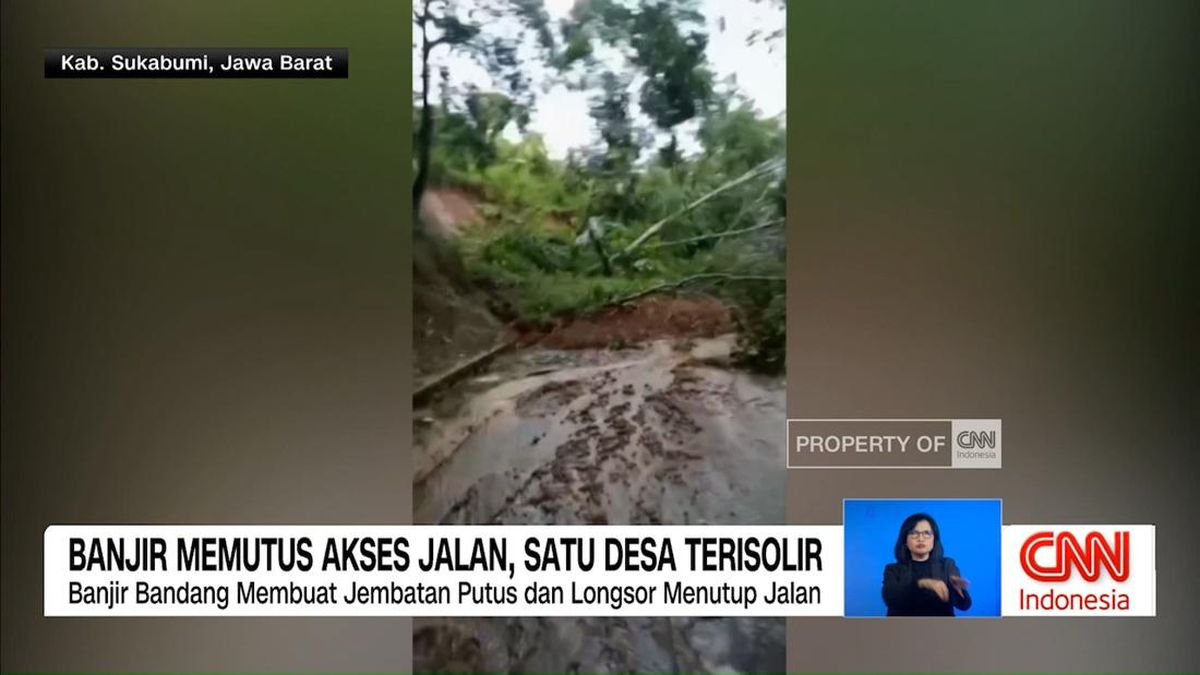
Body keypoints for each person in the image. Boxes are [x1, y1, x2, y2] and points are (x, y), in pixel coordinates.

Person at [881, 512, 972, 616]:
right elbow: (891, 599)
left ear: (934, 539)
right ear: (905, 539)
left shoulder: (947, 565)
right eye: (914, 533)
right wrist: (923, 583)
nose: (921, 538)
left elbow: (965, 605)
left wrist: (957, 591)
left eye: (927, 533)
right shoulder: (893, 569)